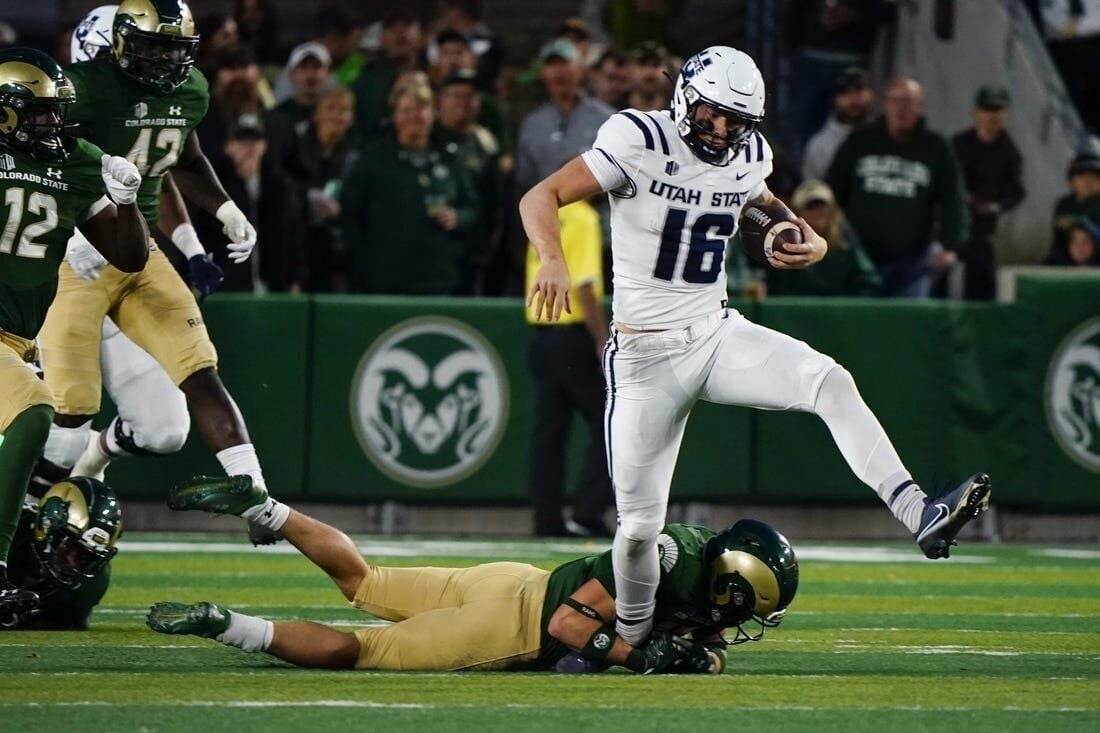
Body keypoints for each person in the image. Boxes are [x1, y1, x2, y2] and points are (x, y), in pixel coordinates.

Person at [522, 46, 992, 648]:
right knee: (639, 530)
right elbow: (540, 195)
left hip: (714, 332)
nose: (722, 132)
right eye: (713, 115)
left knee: (829, 381)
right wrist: (554, 262)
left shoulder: (747, 153)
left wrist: (808, 240)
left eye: (736, 122)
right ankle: (635, 640)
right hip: (642, 357)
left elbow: (762, 206)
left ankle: (917, 511)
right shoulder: (637, 137)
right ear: (686, 97)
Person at [35, 0, 290, 548]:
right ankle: (21, 531)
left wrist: (223, 211)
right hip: (71, 255)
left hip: (138, 249)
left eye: (171, 50)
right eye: (149, 46)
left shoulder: (190, 90)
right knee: (69, 411)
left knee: (196, 379)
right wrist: (71, 221)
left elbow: (183, 157)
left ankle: (257, 498)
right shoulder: (85, 89)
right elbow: (33, 155)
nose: (159, 60)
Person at [148, 474, 798, 673]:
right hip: (512, 622)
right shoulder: (672, 565)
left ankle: (267, 506)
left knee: (364, 580)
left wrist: (697, 659)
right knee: (360, 649)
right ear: (733, 582)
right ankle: (226, 624)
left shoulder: (692, 557)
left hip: (511, 577)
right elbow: (570, 622)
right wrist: (637, 656)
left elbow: (704, 640)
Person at [35, 6, 223, 489]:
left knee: (164, 429)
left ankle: (69, 490)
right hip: (45, 272)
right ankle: (25, 519)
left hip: (118, 265)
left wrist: (191, 244)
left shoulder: (164, 102)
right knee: (56, 421)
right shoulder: (74, 104)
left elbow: (159, 167)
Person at [0, 47, 149, 623]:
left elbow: (130, 255)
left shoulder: (73, 162)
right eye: (39, 113)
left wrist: (128, 202)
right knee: (36, 411)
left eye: (56, 112)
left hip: (19, 341)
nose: (53, 124)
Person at [827, 77, 969, 297]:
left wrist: (950, 246)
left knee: (908, 326)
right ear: (885, 105)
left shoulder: (935, 148)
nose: (901, 108)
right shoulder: (859, 141)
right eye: (895, 101)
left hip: (913, 263)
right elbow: (833, 190)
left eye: (909, 102)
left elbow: (953, 199)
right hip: (860, 261)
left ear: (920, 107)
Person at [341, 82, 479, 295]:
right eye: (406, 110)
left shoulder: (451, 159)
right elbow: (351, 216)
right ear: (394, 116)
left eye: (421, 109)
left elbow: (473, 208)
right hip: (385, 280)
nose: (414, 116)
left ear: (433, 114)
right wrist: (363, 265)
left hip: (440, 278)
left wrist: (458, 217)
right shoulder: (372, 160)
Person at [525, 199, 612, 537]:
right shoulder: (584, 217)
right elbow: (585, 283)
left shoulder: (544, 214)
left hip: (541, 332)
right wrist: (601, 338)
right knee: (612, 423)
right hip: (573, 334)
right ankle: (587, 513)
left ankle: (546, 520)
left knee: (549, 435)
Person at [197, 112, 305, 293]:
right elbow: (205, 235)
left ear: (264, 146)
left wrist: (296, 278)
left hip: (275, 284)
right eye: (242, 141)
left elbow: (295, 236)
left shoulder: (280, 187)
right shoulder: (216, 188)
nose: (249, 148)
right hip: (228, 287)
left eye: (255, 141)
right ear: (228, 147)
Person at [2, 478, 121, 630]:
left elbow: (71, 621)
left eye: (86, 557)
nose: (73, 564)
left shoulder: (89, 585)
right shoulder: (10, 532)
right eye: (69, 546)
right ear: (45, 528)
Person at [952, 85, 1025, 300]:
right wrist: (965, 199)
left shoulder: (1009, 152)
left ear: (1006, 114)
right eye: (986, 110)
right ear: (976, 113)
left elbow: (1016, 191)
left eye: (997, 111)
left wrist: (994, 206)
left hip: (983, 230)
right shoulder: (959, 144)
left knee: (982, 286)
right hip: (953, 226)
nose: (991, 117)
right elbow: (946, 179)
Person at [514, 40, 614, 198]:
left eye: (565, 64)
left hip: (599, 214)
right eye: (552, 65)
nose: (559, 72)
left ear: (580, 70)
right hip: (548, 214)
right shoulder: (532, 124)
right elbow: (525, 181)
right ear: (543, 73)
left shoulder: (606, 118)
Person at [436, 69, 501, 294]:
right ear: (440, 100)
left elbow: (494, 199)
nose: (463, 102)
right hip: (434, 247)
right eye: (456, 95)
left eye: (470, 96)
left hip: (473, 246)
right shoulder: (427, 135)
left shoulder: (485, 142)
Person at [765, 180, 881, 297]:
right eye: (811, 207)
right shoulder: (782, 247)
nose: (818, 213)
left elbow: (869, 284)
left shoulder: (845, 246)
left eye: (822, 207)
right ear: (796, 213)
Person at [299, 87, 356, 293]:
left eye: (343, 110)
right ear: (317, 115)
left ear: (351, 118)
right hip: (300, 251)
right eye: (331, 109)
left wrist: (343, 211)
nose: (337, 116)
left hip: (338, 258)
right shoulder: (296, 152)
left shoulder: (355, 161)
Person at [350, 12, 422, 145]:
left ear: (420, 35)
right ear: (381, 39)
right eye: (392, 27)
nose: (400, 32)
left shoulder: (437, 77)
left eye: (407, 25)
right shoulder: (363, 85)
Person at [801, 67, 874, 182]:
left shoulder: (887, 136)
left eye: (858, 90)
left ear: (871, 95)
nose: (852, 99)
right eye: (845, 93)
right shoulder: (820, 145)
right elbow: (813, 191)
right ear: (835, 99)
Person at [1047, 152, 1100, 265]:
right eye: (1082, 176)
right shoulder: (1064, 204)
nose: (1088, 182)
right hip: (1066, 260)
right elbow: (1059, 235)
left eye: (1094, 177)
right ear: (1071, 182)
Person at [625, 42, 674, 114]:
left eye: (656, 64)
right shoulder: (614, 111)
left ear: (668, 69)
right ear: (630, 69)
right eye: (642, 64)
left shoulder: (678, 112)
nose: (649, 73)